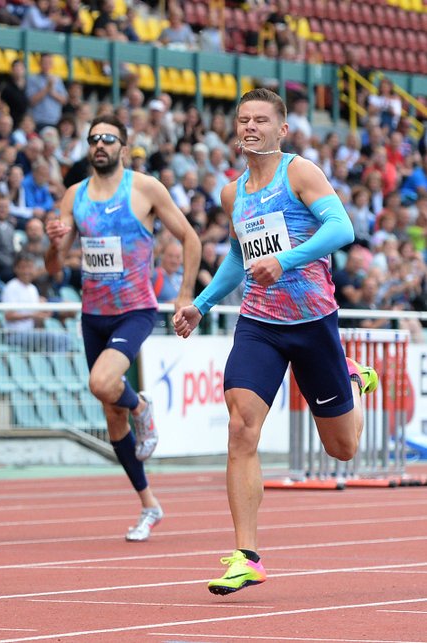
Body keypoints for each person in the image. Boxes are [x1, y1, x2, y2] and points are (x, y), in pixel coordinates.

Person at [173, 88, 379, 595]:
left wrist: (285, 261)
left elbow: (342, 228)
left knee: (342, 448)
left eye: (261, 120)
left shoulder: (300, 172)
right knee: (242, 428)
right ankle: (247, 556)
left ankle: (351, 379)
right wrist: (201, 304)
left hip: (312, 323)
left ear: (281, 129)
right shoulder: (231, 192)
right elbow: (239, 259)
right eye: (243, 119)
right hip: (259, 324)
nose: (250, 127)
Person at [45, 113, 201, 542]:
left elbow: (191, 238)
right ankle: (149, 504)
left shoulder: (145, 188)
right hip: (92, 314)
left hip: (134, 309)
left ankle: (141, 407)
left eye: (108, 139)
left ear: (124, 145)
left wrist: (184, 294)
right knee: (111, 417)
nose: (100, 145)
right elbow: (53, 265)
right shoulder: (74, 196)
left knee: (102, 382)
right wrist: (53, 242)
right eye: (93, 138)